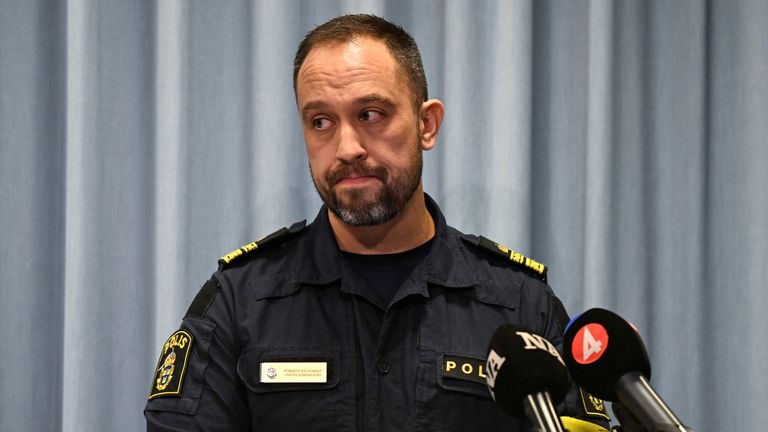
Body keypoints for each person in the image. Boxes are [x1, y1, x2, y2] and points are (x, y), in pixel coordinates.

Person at [144, 14, 610, 432]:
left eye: (371, 115)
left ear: (427, 125)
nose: (347, 147)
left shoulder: (521, 304)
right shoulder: (239, 301)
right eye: (321, 121)